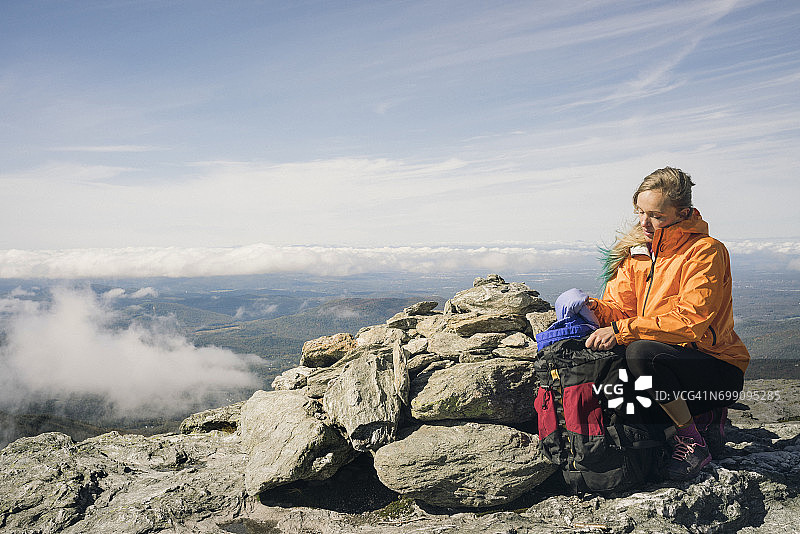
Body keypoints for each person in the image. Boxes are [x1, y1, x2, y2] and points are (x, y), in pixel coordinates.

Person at [556, 166, 749, 481]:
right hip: (667, 370)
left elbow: (691, 322)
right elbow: (621, 309)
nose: (644, 222)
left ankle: (692, 439)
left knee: (640, 354)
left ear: (682, 213)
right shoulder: (638, 256)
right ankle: (698, 418)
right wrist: (590, 309)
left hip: (714, 367)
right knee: (616, 397)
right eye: (640, 212)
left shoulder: (705, 252)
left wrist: (621, 331)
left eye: (656, 216)